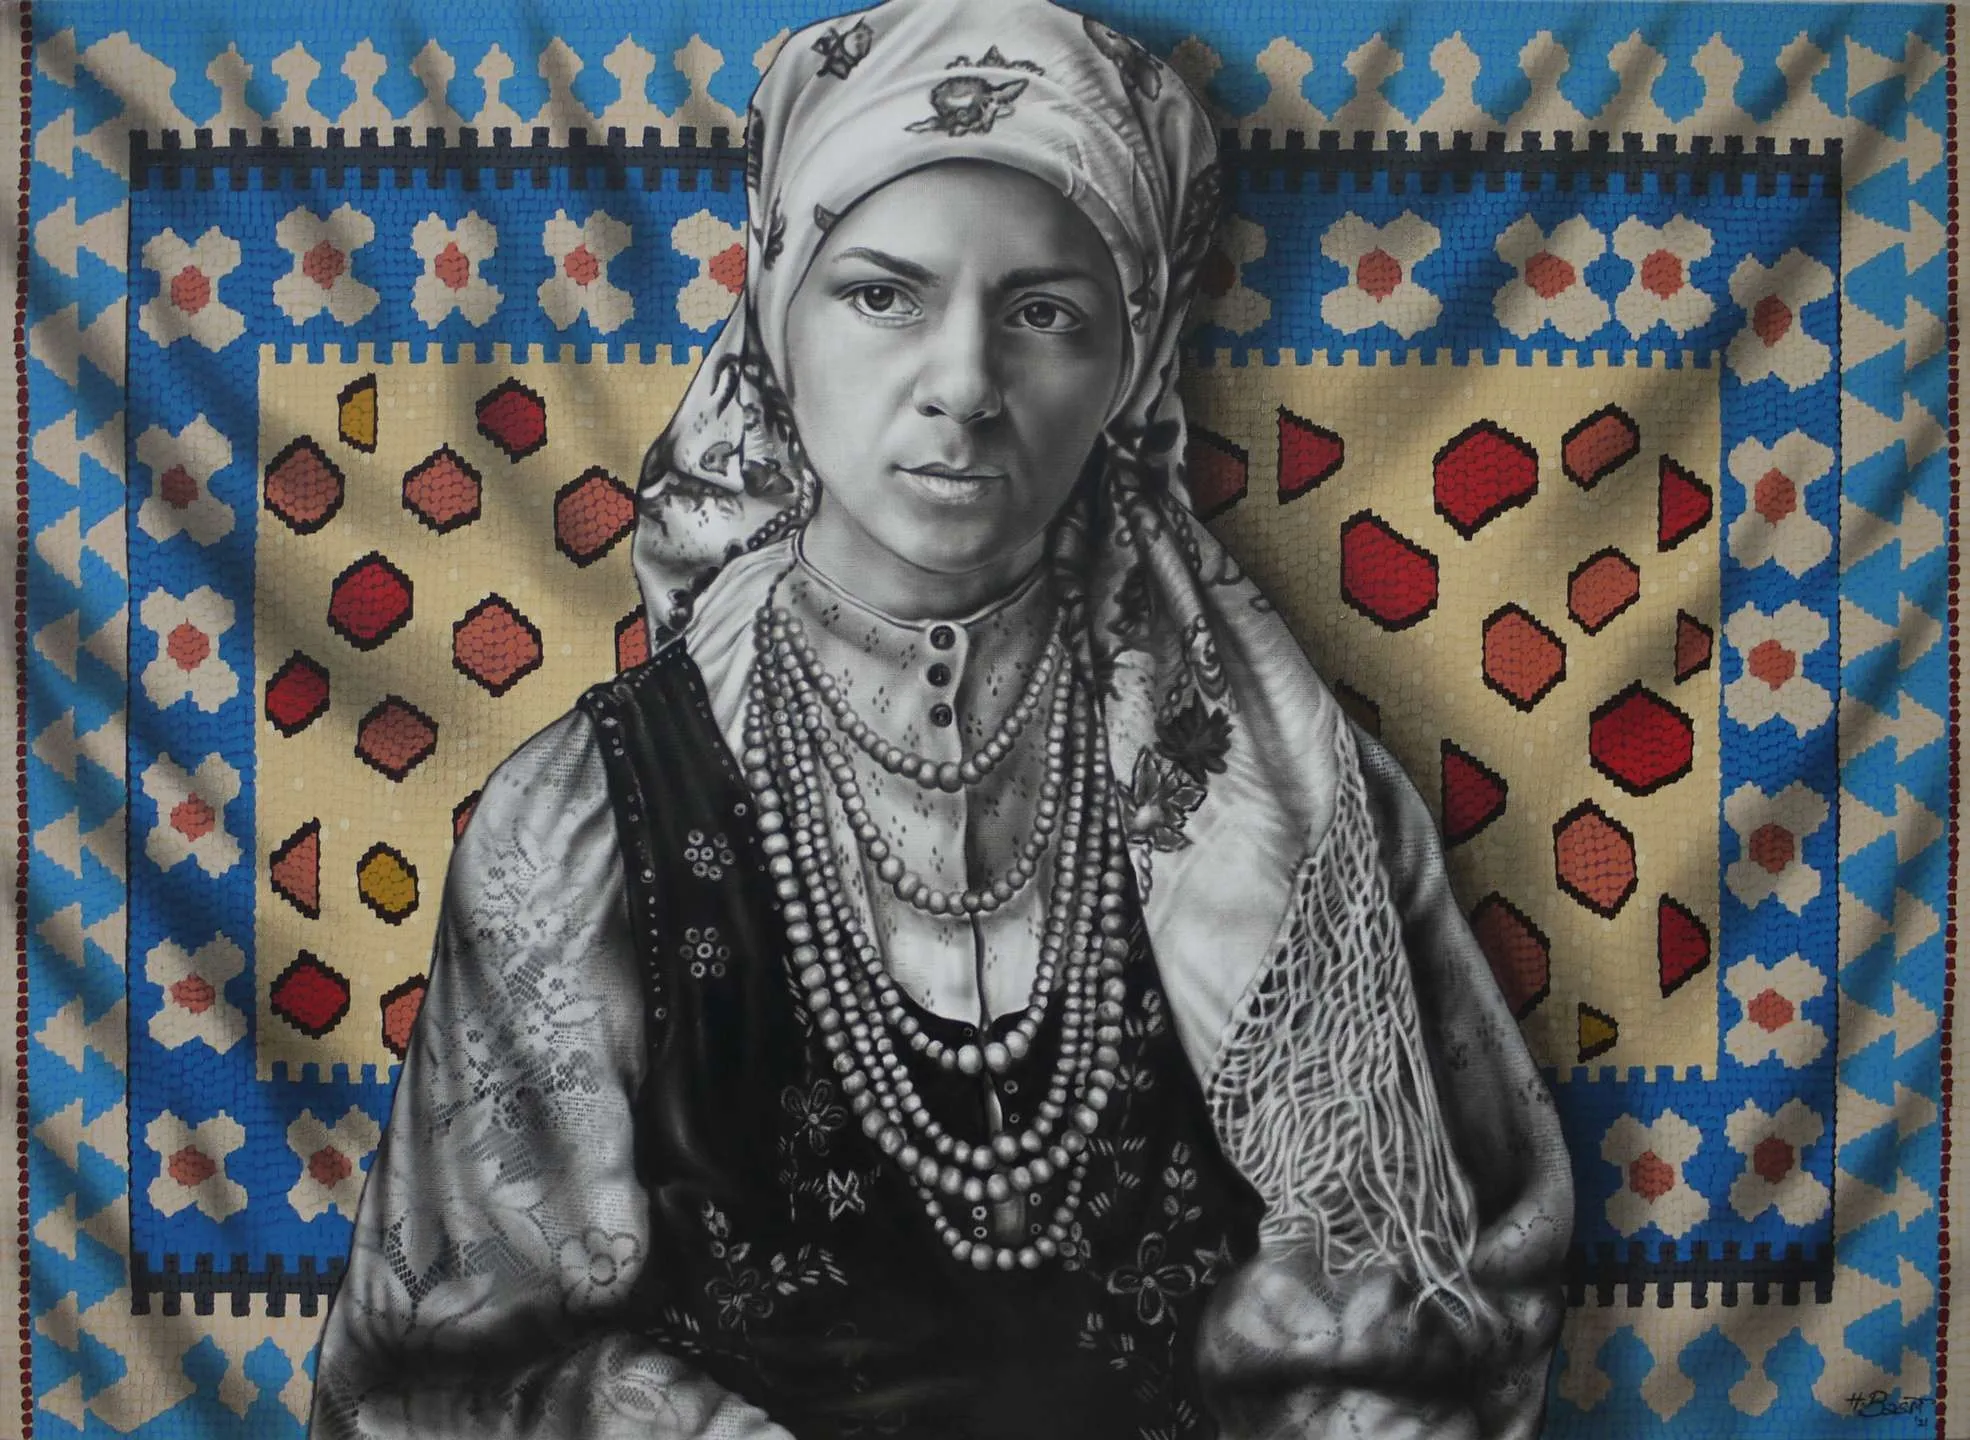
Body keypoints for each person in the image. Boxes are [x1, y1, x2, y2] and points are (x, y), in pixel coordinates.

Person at [308, 2, 1573, 1436]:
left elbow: (1443, 1306)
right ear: (775, 317)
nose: (964, 386)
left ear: (1131, 362)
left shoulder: (1292, 808)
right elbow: (455, 1376)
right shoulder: (584, 821)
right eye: (882, 296)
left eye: (1045, 314)